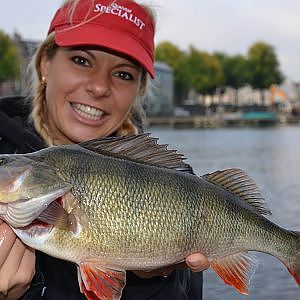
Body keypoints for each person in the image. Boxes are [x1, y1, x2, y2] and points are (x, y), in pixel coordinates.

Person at [0, 0, 210, 299]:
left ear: (137, 91)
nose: (99, 87)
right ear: (45, 63)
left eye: (123, 74)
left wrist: (150, 282)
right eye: (82, 61)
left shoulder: (175, 181)